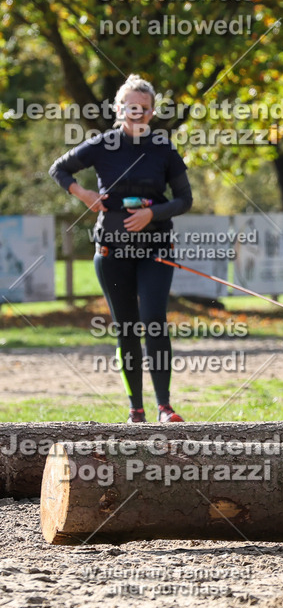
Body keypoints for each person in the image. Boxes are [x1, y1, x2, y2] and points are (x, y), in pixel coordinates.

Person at [50, 75, 193, 423]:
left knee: (154, 323)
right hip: (112, 251)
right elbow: (59, 169)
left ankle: (164, 407)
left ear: (152, 112)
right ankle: (136, 409)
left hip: (155, 248)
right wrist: (83, 195)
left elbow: (185, 200)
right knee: (126, 328)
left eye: (144, 109)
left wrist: (151, 214)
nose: (137, 113)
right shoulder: (101, 144)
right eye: (131, 107)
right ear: (118, 108)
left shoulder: (164, 148)